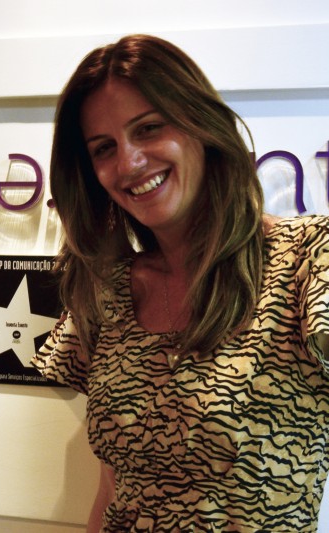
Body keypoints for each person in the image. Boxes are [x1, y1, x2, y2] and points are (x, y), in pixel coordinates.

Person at [32, 34, 329, 531]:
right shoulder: (108, 289)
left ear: (201, 125)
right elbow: (111, 488)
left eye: (148, 128)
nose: (128, 163)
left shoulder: (308, 260)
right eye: (104, 148)